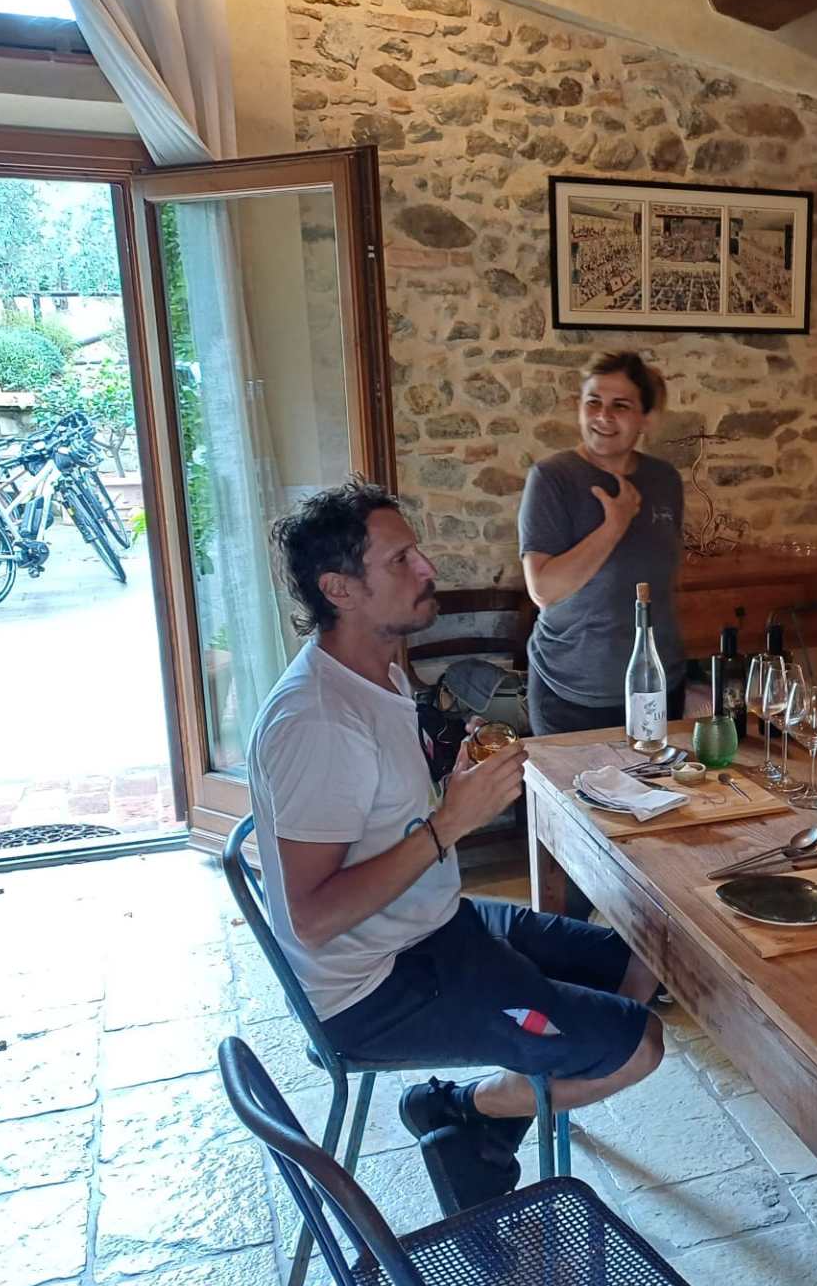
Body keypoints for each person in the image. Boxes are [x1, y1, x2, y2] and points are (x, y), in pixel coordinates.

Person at [247, 481, 663, 1209]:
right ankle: (458, 1108)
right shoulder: (316, 722)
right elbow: (309, 919)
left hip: (436, 923)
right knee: (641, 1044)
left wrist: (446, 772)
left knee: (650, 954)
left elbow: (380, 804)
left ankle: (539, 1080)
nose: (428, 567)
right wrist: (452, 822)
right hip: (375, 985)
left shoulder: (377, 670)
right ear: (340, 589)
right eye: (401, 558)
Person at [520, 350, 685, 735]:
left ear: (645, 418)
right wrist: (615, 523)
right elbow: (543, 590)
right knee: (578, 797)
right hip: (574, 692)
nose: (603, 416)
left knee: (661, 792)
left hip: (657, 685)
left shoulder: (665, 480)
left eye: (621, 406)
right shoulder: (551, 478)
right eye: (593, 402)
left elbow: (662, 582)